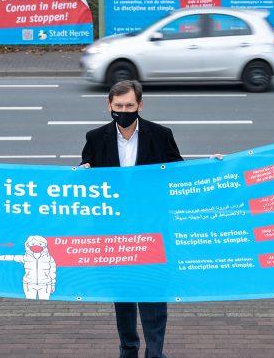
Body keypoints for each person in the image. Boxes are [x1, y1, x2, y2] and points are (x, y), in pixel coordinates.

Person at [80, 80, 183, 358]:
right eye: (118, 106)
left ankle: (155, 353)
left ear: (140, 105)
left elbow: (179, 175)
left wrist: (212, 166)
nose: (123, 111)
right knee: (123, 296)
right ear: (109, 106)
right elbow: (89, 185)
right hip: (114, 232)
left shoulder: (161, 135)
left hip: (151, 229)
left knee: (152, 294)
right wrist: (83, 172)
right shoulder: (95, 137)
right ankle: (128, 350)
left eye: (129, 105)